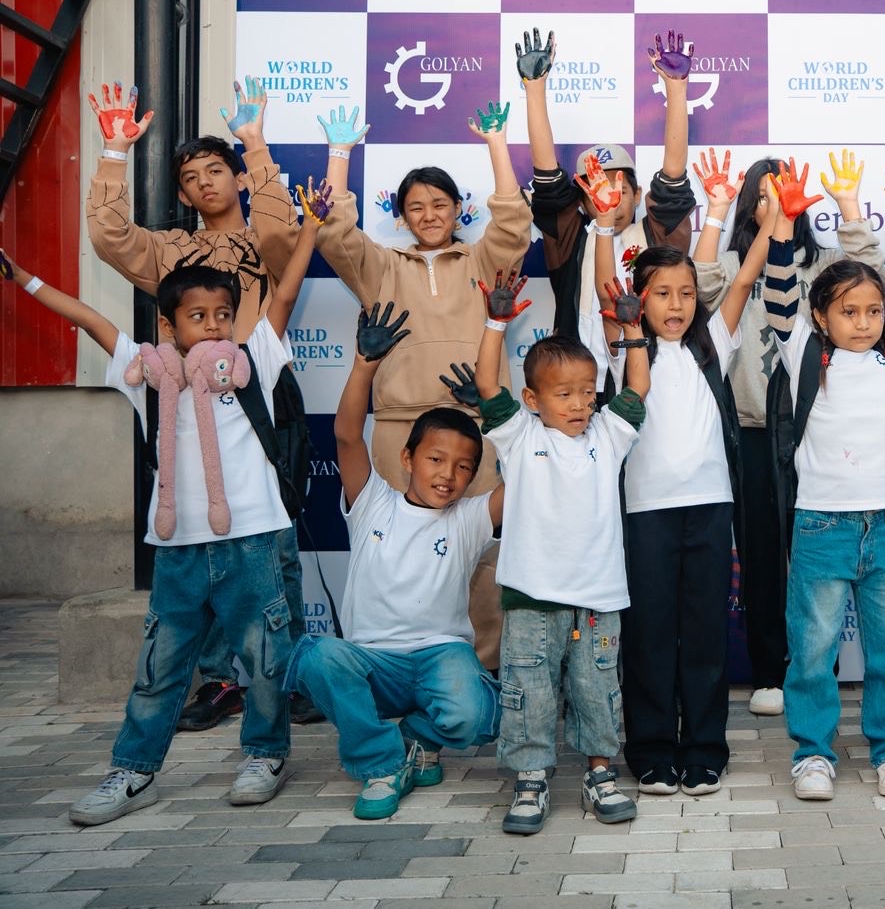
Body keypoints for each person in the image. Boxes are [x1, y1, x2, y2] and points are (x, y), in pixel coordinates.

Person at [3, 185, 323, 825]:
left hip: (253, 542)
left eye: (224, 313)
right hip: (177, 551)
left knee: (266, 660)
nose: (214, 324)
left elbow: (284, 295)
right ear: (169, 327)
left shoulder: (253, 363)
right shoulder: (149, 377)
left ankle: (265, 756)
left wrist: (311, 225)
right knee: (160, 666)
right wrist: (21, 277)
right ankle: (133, 770)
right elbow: (89, 319)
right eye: (198, 316)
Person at [82, 79, 316, 730]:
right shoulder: (171, 250)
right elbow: (111, 238)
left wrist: (254, 143)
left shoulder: (265, 240)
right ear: (183, 195)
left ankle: (292, 674)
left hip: (261, 394)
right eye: (191, 177)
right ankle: (220, 679)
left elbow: (285, 236)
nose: (204, 183)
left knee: (274, 539)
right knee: (206, 536)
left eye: (216, 170)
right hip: (186, 407)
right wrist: (114, 152)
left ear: (237, 179)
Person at [288, 101, 530, 674]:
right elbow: (335, 233)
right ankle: (394, 671)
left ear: (458, 210)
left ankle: (481, 677)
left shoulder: (482, 261)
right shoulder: (382, 267)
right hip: (398, 431)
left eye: (440, 204)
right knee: (394, 557)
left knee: (483, 560)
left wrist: (497, 144)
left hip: (476, 428)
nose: (429, 215)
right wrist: (340, 154)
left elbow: (514, 225)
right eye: (416, 207)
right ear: (400, 217)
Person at [289, 303, 503, 820]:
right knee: (317, 658)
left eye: (463, 467)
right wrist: (364, 364)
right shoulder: (372, 502)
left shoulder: (470, 518)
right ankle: (383, 765)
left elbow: (530, 478)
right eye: (435, 459)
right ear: (407, 458)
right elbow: (346, 435)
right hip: (373, 663)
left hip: (441, 657)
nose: (447, 475)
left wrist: (495, 412)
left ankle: (418, 737)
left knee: (478, 717)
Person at [693, 148, 883, 718]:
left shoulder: (826, 263)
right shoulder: (737, 262)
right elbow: (699, 286)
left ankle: (816, 668)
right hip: (752, 427)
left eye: (785, 194)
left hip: (815, 432)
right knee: (759, 555)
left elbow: (871, 273)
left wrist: (849, 206)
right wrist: (718, 212)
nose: (777, 204)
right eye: (765, 196)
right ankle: (769, 671)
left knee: (816, 555)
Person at [593, 187, 768, 794]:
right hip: (646, 514)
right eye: (662, 293)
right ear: (637, 297)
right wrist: (603, 227)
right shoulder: (623, 345)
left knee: (704, 635)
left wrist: (770, 223)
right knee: (647, 634)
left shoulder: (712, 342)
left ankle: (704, 749)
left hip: (710, 509)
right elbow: (605, 292)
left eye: (687, 293)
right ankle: (650, 749)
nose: (676, 304)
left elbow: (743, 280)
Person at [761, 157, 885, 802]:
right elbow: (777, 296)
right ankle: (813, 753)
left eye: (873, 310)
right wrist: (783, 227)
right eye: (848, 311)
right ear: (821, 317)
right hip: (822, 525)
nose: (864, 321)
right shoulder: (804, 350)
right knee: (813, 649)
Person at [475, 273, 650, 834]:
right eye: (564, 393)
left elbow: (638, 386)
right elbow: (486, 384)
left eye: (587, 391)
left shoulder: (608, 435)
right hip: (532, 599)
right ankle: (531, 779)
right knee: (529, 691)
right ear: (533, 399)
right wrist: (495, 323)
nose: (580, 404)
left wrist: (632, 329)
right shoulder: (520, 436)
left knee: (598, 689)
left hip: (597, 600)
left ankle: (600, 773)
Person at [520, 27, 696, 364]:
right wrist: (534, 89)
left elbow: (673, 180)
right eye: (597, 192)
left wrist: (676, 90)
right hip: (580, 380)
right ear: (581, 202)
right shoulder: (571, 239)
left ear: (638, 194)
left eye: (620, 190)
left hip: (647, 372)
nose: (610, 202)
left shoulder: (656, 237)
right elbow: (547, 179)